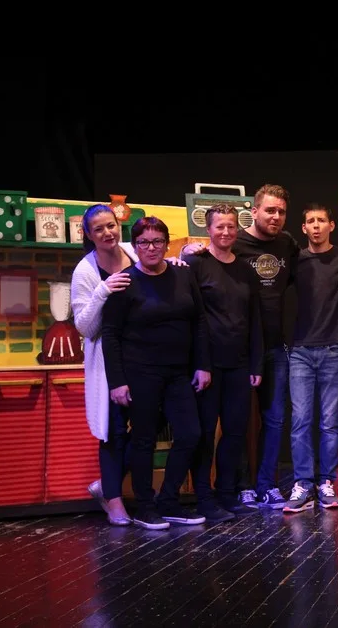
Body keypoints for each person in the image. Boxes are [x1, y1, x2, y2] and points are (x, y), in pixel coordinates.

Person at [181, 183, 298, 510]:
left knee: (263, 423)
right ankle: (226, 489)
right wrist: (184, 252)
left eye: (281, 212)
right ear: (254, 211)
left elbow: (262, 309)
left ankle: (256, 487)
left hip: (263, 352)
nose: (275, 216)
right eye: (269, 210)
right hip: (222, 356)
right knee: (222, 428)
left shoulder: (283, 246)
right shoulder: (215, 254)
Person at [102, 217, 211, 529]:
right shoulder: (125, 282)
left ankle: (169, 501)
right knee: (144, 440)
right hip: (140, 373)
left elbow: (199, 321)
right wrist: (117, 382)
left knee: (190, 434)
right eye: (144, 242)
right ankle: (145, 507)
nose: (151, 248)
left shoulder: (182, 274)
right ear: (135, 246)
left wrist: (203, 364)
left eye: (157, 241)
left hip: (179, 373)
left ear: (166, 244)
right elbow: (110, 335)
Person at [184, 203, 264, 522]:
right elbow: (192, 318)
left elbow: (254, 320)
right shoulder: (196, 264)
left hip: (239, 365)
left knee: (234, 433)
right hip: (207, 366)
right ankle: (204, 498)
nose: (226, 232)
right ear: (208, 229)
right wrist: (200, 364)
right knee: (205, 433)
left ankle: (227, 494)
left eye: (231, 226)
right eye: (220, 226)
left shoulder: (246, 270)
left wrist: (256, 365)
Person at [283, 204, 338, 513]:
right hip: (300, 351)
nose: (316, 226)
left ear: (331, 226)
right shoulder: (295, 261)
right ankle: (303, 484)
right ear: (304, 228)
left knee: (329, 423)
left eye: (321, 221)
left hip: (333, 351)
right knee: (301, 420)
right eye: (310, 221)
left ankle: (326, 482)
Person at [71, 204, 137, 526]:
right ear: (88, 234)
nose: (108, 232)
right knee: (113, 433)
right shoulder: (85, 271)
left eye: (110, 225)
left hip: (142, 359)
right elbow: (85, 327)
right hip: (109, 364)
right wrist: (102, 291)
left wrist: (180, 259)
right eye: (99, 229)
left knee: (150, 426)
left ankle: (106, 485)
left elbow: (158, 271)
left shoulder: (132, 253)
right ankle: (114, 501)